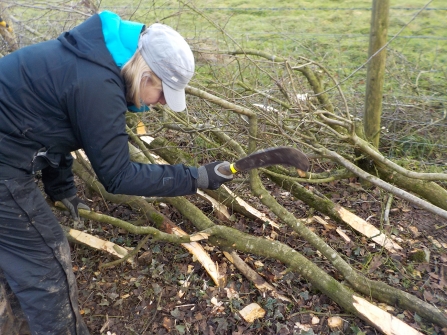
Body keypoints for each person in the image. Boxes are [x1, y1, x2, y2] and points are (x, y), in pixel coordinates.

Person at [0, 11, 233, 334]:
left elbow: (51, 127)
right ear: (146, 75)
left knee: (14, 250)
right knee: (45, 260)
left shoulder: (92, 58)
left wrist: (61, 187)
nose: (161, 104)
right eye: (163, 94)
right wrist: (196, 177)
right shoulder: (98, 84)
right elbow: (118, 175)